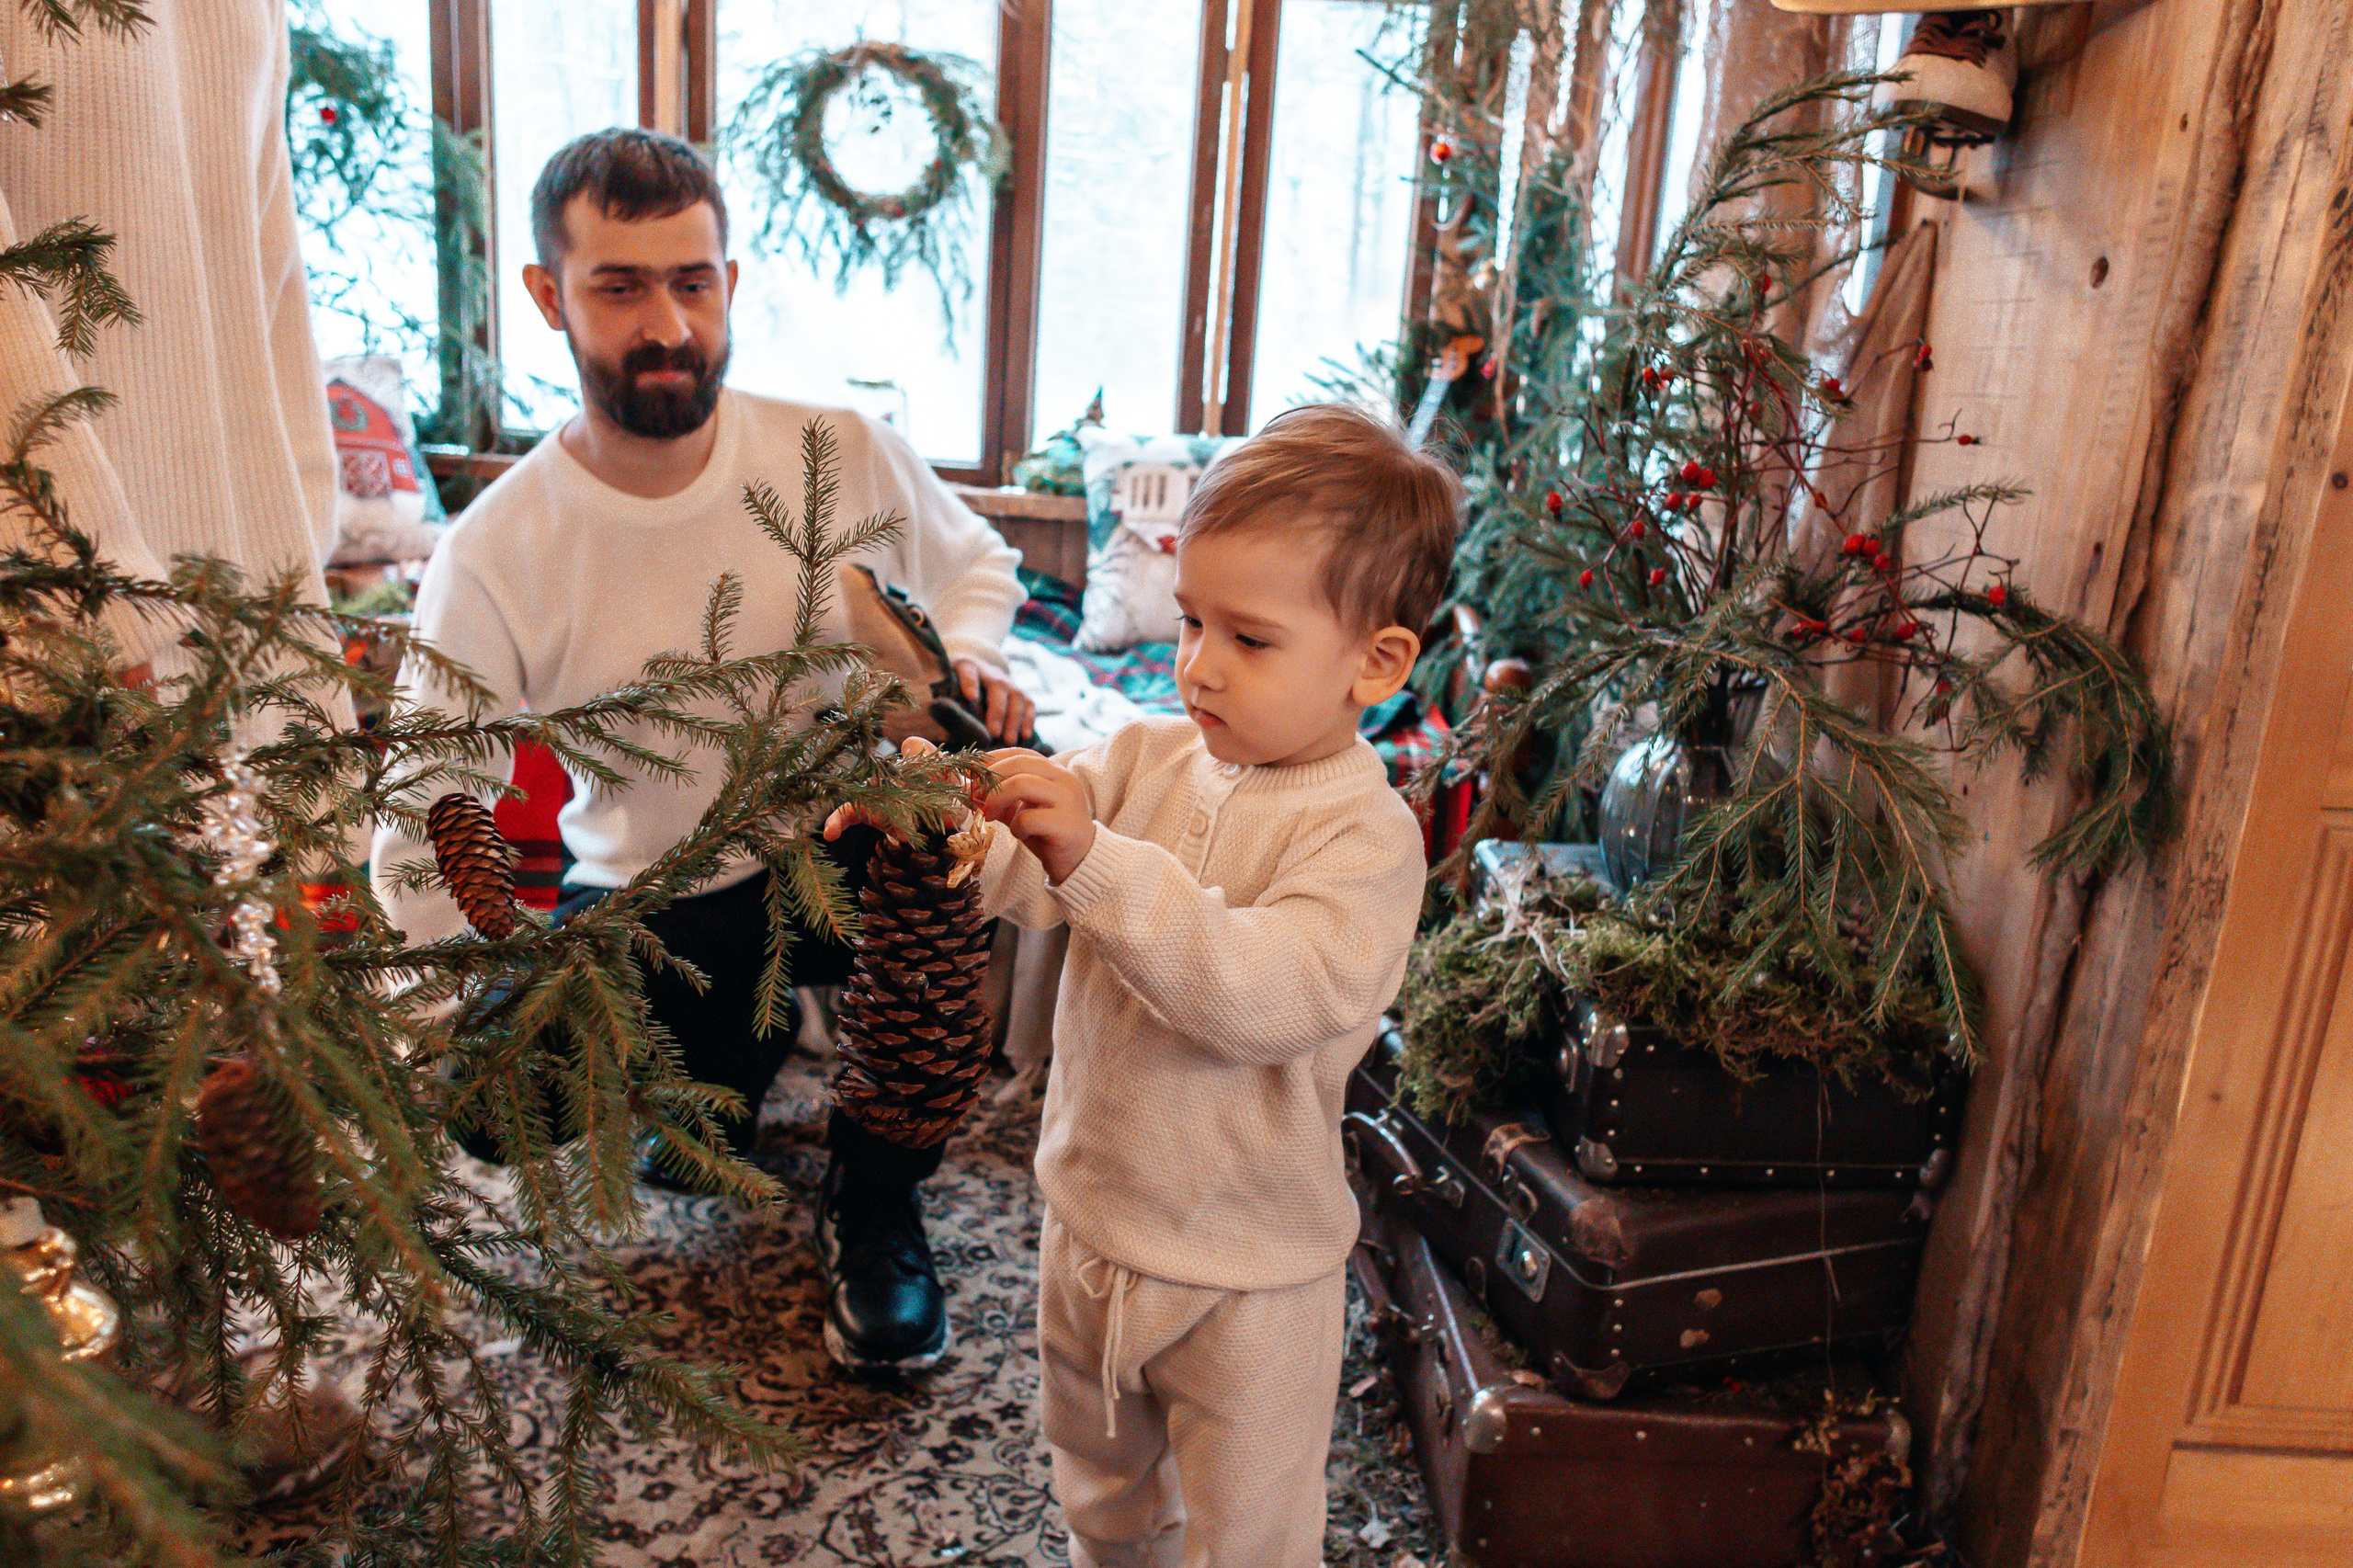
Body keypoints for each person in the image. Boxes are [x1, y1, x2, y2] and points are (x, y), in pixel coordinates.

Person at [369, 129, 1034, 1372]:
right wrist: (448, 1004)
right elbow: (424, 792)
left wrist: (983, 655)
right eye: (620, 287)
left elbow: (978, 566)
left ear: (731, 278)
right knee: (498, 1104)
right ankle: (712, 1076)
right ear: (546, 297)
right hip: (654, 889)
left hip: (855, 849)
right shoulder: (498, 545)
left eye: (695, 280)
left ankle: (878, 1203)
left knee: (944, 879)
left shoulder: (833, 447)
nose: (667, 323)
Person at [886, 404, 1457, 1565]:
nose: (1196, 663)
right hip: (1091, 1221)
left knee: (1248, 1535)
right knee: (1100, 1489)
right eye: (1191, 619)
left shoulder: (1367, 840)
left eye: (1248, 638)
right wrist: (950, 825)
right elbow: (1026, 874)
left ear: (1377, 662)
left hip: (1248, 1276)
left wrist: (1093, 858)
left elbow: (1261, 995)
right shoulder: (1144, 758)